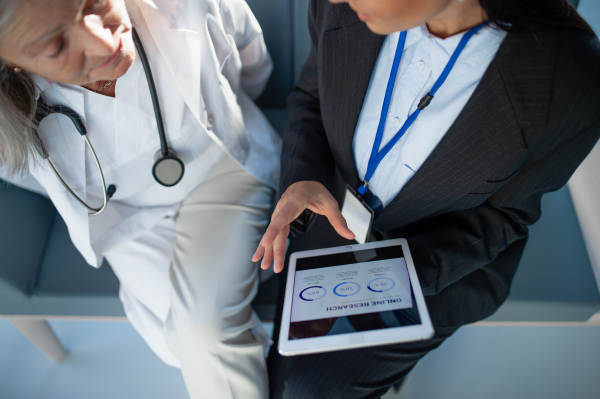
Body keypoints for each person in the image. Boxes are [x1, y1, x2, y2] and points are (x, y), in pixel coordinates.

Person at [252, 0, 600, 397]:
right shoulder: (344, 9)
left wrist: (389, 279)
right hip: (327, 232)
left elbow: (504, 216)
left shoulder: (569, 84)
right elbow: (311, 97)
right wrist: (303, 179)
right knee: (280, 376)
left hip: (439, 272)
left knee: (312, 391)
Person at [0, 0, 280, 398]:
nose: (101, 41)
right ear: (10, 63)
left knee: (205, 333)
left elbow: (251, 62)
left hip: (220, 172)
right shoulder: (10, 118)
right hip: (126, 218)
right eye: (55, 46)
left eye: (94, 4)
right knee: (181, 343)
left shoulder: (184, 7)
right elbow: (27, 174)